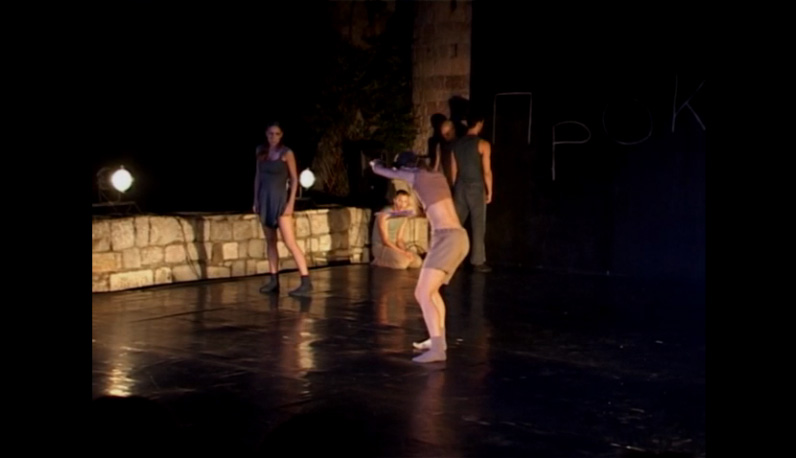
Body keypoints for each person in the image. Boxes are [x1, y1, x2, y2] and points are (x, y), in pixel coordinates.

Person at [370, 151, 469, 363]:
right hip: (458, 237)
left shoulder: (415, 175)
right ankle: (438, 341)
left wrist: (375, 163)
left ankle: (438, 349)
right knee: (431, 292)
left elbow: (382, 171)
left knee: (422, 293)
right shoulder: (437, 176)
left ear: (406, 167)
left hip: (447, 238)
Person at [253, 122, 312, 296]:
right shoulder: (260, 151)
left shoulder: (286, 153)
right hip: (265, 199)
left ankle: (306, 280)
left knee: (290, 242)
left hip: (280, 200)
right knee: (270, 242)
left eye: (277, 134)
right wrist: (256, 199)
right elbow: (258, 176)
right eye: (270, 133)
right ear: (266, 134)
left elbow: (294, 179)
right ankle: (273, 280)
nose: (273, 137)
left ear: (281, 135)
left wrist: (290, 203)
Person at [450, 111, 493, 273]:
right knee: (478, 225)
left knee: (456, 225)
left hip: (460, 186)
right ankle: (477, 261)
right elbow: (487, 171)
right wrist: (490, 191)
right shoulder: (483, 144)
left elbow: (453, 171)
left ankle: (452, 259)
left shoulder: (456, 144)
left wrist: (455, 188)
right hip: (476, 187)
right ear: (480, 123)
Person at [371, 190, 423, 270]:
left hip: (394, 247)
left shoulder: (404, 215)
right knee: (402, 264)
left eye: (405, 202)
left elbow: (399, 239)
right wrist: (402, 253)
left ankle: (398, 258)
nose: (402, 204)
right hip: (381, 247)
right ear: (395, 200)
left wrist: (405, 251)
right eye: (400, 201)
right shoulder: (384, 214)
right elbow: (385, 241)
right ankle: (378, 261)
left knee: (417, 262)